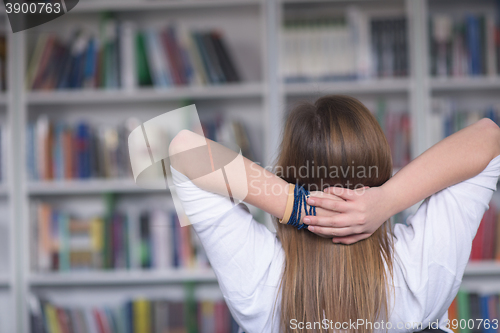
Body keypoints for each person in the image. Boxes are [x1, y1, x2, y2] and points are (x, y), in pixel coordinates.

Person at [168, 95, 500, 333]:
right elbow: (490, 137)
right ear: (379, 173)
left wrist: (296, 205)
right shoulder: (417, 275)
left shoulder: (259, 283)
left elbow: (183, 150)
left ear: (286, 174)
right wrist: (387, 199)